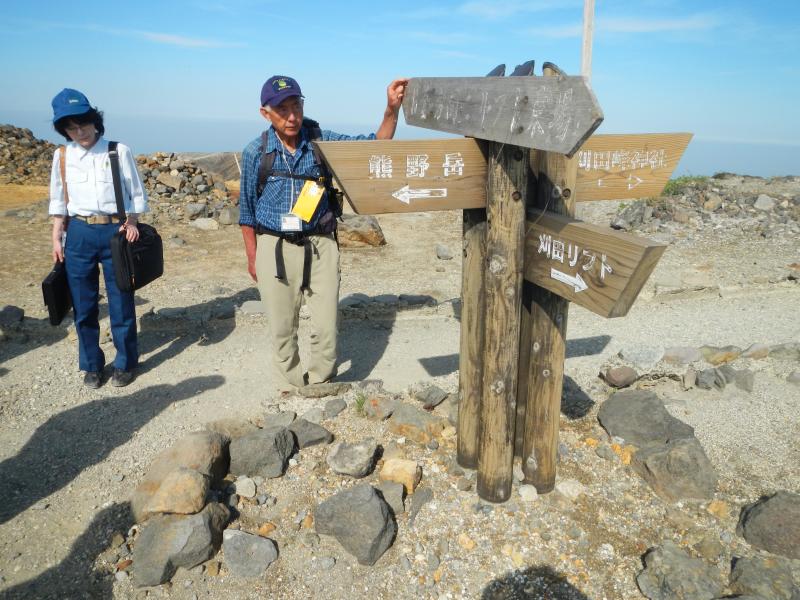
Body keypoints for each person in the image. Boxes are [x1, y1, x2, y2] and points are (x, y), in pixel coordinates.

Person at [239, 75, 408, 390]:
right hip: (274, 247)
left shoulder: (321, 142)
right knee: (281, 326)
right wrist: (253, 256)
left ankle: (321, 383)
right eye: (282, 110)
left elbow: (373, 147)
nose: (292, 117)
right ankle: (290, 387)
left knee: (327, 323)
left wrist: (391, 110)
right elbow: (246, 213)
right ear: (265, 113)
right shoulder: (255, 153)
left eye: (296, 106)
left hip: (320, 244)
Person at [48, 88, 148, 388]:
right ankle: (91, 364)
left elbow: (137, 192)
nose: (80, 132)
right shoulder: (62, 156)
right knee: (84, 303)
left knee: (121, 300)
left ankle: (125, 362)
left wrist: (132, 220)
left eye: (84, 124)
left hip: (114, 233)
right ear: (63, 129)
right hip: (77, 233)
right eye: (71, 127)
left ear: (95, 120)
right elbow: (58, 198)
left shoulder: (118, 151)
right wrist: (56, 235)